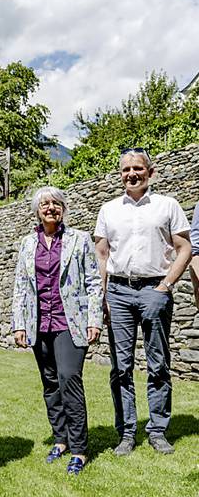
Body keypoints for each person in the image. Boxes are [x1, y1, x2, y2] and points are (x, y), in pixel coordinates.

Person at [95, 148, 191, 456]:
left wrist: (165, 286)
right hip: (119, 293)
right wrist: (103, 296)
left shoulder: (167, 205)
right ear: (120, 174)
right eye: (126, 170)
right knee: (121, 367)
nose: (132, 174)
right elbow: (101, 254)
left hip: (154, 289)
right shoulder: (108, 209)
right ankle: (126, 432)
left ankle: (158, 430)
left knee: (158, 362)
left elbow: (184, 247)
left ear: (150, 173)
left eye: (138, 168)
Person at [12, 186, 102, 476]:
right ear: (37, 211)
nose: (50, 208)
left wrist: (94, 319)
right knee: (50, 383)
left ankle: (79, 449)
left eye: (56, 203)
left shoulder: (80, 239)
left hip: (70, 322)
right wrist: (19, 324)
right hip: (40, 324)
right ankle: (60, 439)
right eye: (44, 204)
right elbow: (21, 286)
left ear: (63, 208)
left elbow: (94, 281)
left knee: (68, 379)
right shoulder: (27, 244)